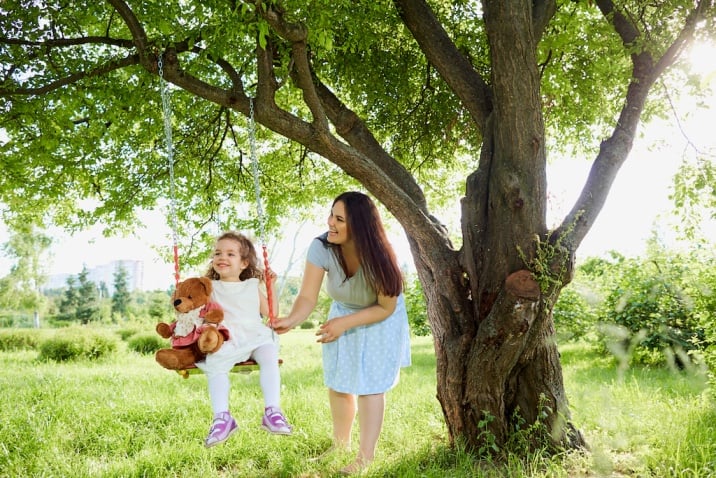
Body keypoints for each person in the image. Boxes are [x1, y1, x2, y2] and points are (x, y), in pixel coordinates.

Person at [273, 191, 411, 475]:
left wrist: (344, 324)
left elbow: (385, 308)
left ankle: (365, 458)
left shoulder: (381, 256)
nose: (330, 223)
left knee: (370, 386)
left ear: (359, 226)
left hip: (379, 316)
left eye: (339, 219)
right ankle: (340, 446)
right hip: (344, 310)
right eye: (330, 215)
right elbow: (307, 297)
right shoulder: (321, 247)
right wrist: (291, 320)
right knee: (339, 382)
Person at [195, 231, 292, 447]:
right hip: (227, 337)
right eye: (218, 253)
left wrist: (270, 285)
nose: (222, 257)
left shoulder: (251, 286)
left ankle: (272, 411)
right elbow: (200, 312)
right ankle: (222, 418)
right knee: (215, 365)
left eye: (231, 254)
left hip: (254, 335)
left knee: (268, 354)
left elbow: (271, 312)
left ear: (244, 263)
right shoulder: (210, 287)